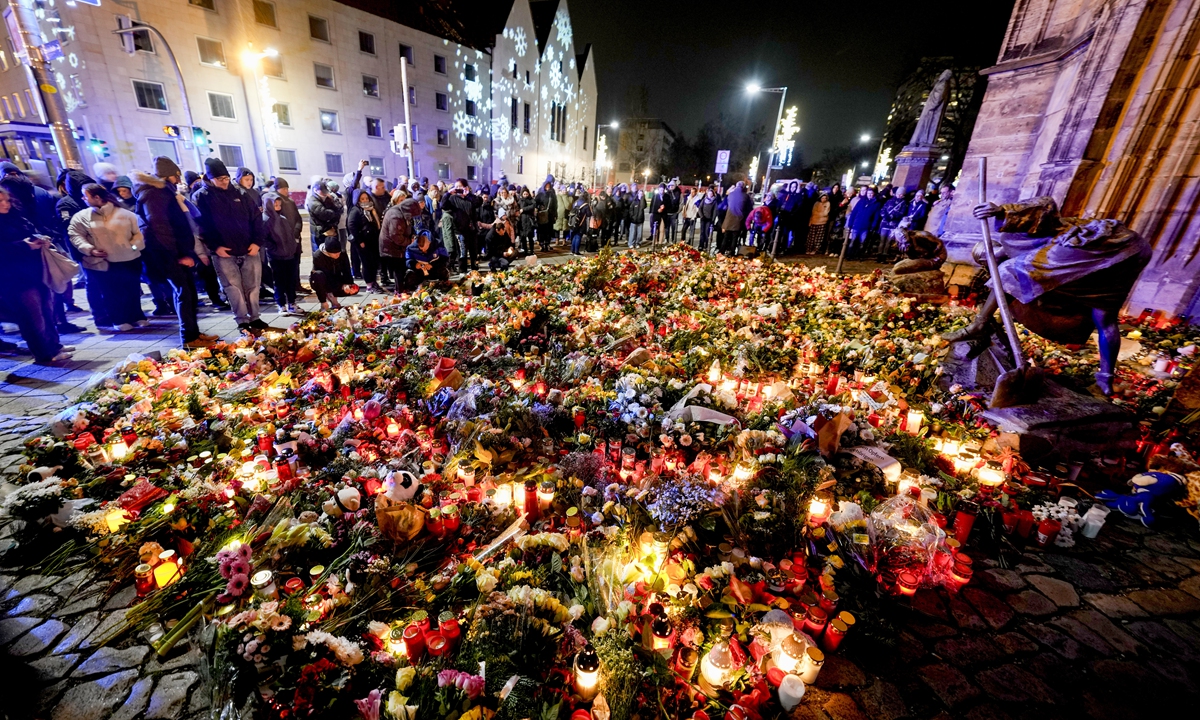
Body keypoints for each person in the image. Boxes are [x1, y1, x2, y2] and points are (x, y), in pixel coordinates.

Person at [947, 197, 1152, 395]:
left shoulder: (1014, 239)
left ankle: (979, 325)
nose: (989, 261)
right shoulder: (1041, 266)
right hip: (1128, 252)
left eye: (987, 257)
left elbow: (1046, 204)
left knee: (1008, 273)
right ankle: (1105, 379)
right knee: (1103, 315)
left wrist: (1001, 210)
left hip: (1103, 243)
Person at [131, 157, 217, 348]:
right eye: (176, 176)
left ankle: (193, 333)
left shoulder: (163, 192)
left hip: (175, 251)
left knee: (190, 292)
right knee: (184, 293)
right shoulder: (155, 194)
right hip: (168, 254)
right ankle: (188, 337)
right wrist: (179, 255)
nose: (178, 181)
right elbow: (161, 227)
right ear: (169, 176)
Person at [193, 158, 268, 333]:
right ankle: (242, 320)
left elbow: (257, 219)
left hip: (249, 249)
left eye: (226, 178)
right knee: (233, 288)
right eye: (220, 179)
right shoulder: (202, 197)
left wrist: (257, 242)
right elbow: (201, 225)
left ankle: (255, 317)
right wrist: (215, 246)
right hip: (223, 252)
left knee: (253, 286)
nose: (225, 182)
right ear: (210, 178)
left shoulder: (240, 194)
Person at [0, 186, 72, 362]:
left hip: (36, 269)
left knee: (47, 310)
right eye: (0, 201)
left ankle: (54, 345)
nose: (5, 204)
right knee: (32, 316)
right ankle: (44, 353)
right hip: (14, 278)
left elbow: (31, 230)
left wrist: (40, 239)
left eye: (6, 200)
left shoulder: (15, 216)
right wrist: (25, 245)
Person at [67, 184, 147, 332]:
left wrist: (134, 246)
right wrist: (90, 250)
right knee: (111, 292)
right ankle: (119, 319)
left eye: (86, 196)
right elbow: (75, 235)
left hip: (130, 259)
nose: (83, 198)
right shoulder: (82, 217)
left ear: (97, 197)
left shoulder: (125, 214)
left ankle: (137, 316)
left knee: (132, 289)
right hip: (104, 262)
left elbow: (138, 233)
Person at [263, 192, 301, 313]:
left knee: (291, 280)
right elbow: (263, 239)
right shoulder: (266, 220)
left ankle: (292, 303)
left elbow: (289, 236)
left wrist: (293, 246)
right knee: (279, 282)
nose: (278, 207)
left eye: (279, 205)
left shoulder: (282, 218)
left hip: (289, 256)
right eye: (275, 205)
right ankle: (281, 304)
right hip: (277, 257)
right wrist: (274, 248)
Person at [272, 177, 307, 295]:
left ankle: (297, 284)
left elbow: (298, 218)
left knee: (296, 262)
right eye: (283, 188)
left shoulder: (290, 202)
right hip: (284, 240)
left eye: (287, 188)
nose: (286, 191)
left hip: (295, 238)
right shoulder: (275, 202)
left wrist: (296, 231)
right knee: (287, 266)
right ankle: (288, 289)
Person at [380, 194, 422, 289]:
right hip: (391, 247)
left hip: (399, 246)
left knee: (401, 268)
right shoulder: (396, 216)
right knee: (398, 269)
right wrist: (409, 241)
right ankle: (400, 291)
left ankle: (403, 288)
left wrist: (412, 235)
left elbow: (407, 227)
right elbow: (395, 236)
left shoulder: (402, 212)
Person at [347, 190, 384, 293]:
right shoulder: (356, 210)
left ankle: (374, 282)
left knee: (374, 263)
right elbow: (351, 226)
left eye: (366, 198)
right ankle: (369, 285)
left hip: (373, 240)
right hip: (363, 242)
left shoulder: (372, 209)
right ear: (358, 200)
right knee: (367, 263)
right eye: (362, 199)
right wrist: (360, 240)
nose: (365, 200)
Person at [310, 237, 359, 308]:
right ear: (327, 252)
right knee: (319, 275)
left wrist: (348, 284)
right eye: (335, 254)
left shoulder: (342, 253)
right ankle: (324, 301)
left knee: (354, 289)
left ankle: (333, 297)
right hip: (322, 281)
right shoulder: (318, 256)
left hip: (337, 279)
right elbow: (326, 275)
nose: (338, 255)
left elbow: (346, 270)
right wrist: (340, 286)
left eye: (339, 253)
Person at [845, 187, 882, 259]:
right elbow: (854, 212)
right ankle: (849, 255)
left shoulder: (876, 204)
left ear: (874, 194)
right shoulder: (861, 201)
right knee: (853, 241)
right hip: (857, 225)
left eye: (871, 193)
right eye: (868, 193)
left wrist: (873, 225)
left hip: (866, 226)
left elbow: (876, 216)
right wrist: (850, 223)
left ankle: (858, 255)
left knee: (862, 242)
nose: (870, 195)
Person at [877, 187, 910, 262]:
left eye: (901, 194)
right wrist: (884, 216)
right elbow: (883, 209)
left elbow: (902, 213)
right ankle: (879, 255)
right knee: (882, 240)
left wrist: (893, 216)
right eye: (899, 194)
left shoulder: (903, 203)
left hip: (893, 225)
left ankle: (884, 256)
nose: (900, 195)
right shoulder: (889, 201)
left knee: (888, 241)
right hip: (885, 224)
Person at [721, 181, 752, 254]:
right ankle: (731, 253)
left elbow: (726, 205)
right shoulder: (745, 196)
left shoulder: (730, 194)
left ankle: (721, 251)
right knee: (735, 238)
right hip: (738, 219)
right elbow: (749, 208)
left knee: (726, 237)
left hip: (728, 219)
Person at [535, 178, 557, 252]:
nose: (547, 188)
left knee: (549, 231)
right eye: (546, 186)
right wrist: (539, 207)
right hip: (542, 216)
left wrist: (555, 215)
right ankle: (541, 244)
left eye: (549, 186)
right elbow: (535, 203)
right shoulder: (540, 194)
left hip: (550, 215)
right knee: (541, 231)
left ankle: (547, 244)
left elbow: (555, 205)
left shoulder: (552, 195)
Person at [567, 190, 592, 255]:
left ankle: (572, 250)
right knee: (578, 236)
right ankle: (576, 251)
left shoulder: (576, 202)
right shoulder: (586, 205)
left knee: (574, 236)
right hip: (581, 222)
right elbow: (589, 214)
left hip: (573, 221)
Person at [517, 188, 537, 256]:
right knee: (523, 238)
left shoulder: (531, 200)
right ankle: (525, 250)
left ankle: (531, 250)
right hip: (522, 221)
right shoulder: (520, 201)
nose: (525, 195)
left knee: (530, 237)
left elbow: (533, 205)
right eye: (524, 194)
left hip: (529, 220)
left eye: (526, 194)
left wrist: (524, 209)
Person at [697, 187, 718, 252]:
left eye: (711, 193)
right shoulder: (704, 200)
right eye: (709, 193)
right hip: (703, 218)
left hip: (709, 219)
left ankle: (706, 245)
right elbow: (700, 208)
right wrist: (701, 216)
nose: (710, 194)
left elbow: (715, 211)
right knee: (702, 232)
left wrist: (713, 220)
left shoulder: (714, 202)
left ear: (713, 194)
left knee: (706, 233)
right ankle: (701, 245)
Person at [626, 183, 646, 249]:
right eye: (639, 193)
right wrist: (632, 216)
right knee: (632, 232)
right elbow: (631, 209)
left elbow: (643, 206)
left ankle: (638, 243)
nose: (640, 194)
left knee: (639, 233)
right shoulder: (634, 201)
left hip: (640, 220)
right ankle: (631, 243)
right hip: (633, 220)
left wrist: (642, 198)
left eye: (641, 193)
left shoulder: (643, 201)